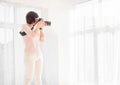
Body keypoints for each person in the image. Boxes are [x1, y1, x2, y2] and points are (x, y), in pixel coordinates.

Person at [20, 11, 46, 85]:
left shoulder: (36, 28)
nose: (38, 21)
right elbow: (32, 35)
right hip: (29, 55)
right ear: (33, 19)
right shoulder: (24, 26)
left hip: (39, 55)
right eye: (37, 19)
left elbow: (42, 39)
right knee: (29, 77)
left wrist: (40, 28)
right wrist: (38, 27)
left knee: (38, 77)